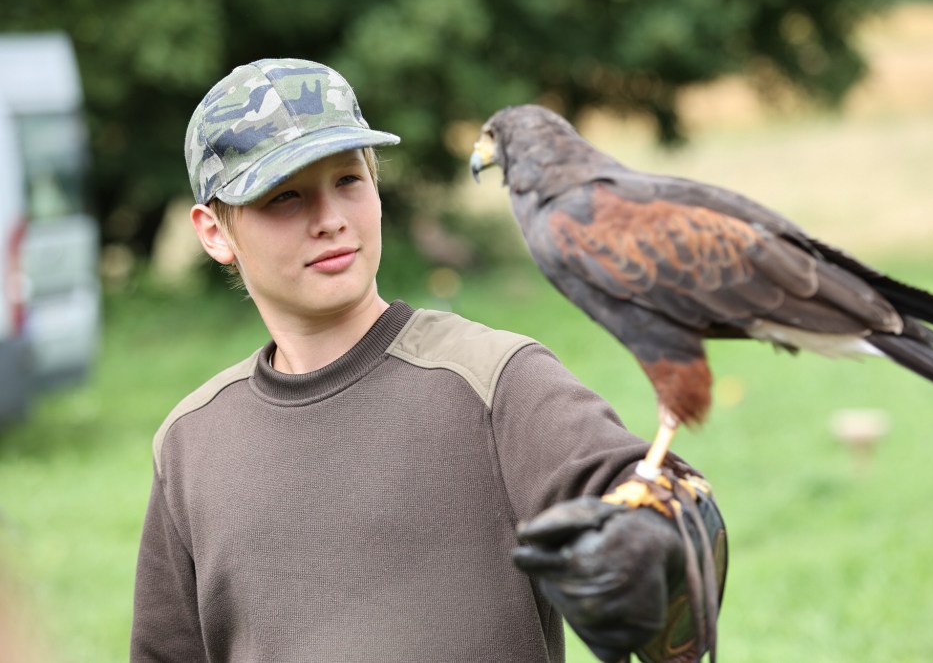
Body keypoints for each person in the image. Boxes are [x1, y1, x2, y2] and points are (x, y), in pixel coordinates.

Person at [129, 57, 726, 663]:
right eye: (285, 196)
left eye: (348, 180)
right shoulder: (192, 443)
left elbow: (654, 502)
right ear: (214, 231)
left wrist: (656, 547)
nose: (331, 220)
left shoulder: (492, 380)